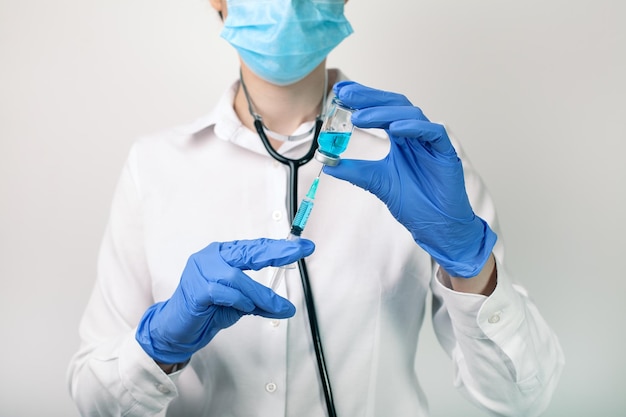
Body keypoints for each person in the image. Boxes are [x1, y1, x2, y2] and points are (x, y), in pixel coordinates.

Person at [67, 0, 564, 416]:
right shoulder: (154, 166)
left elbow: (523, 398)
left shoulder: (420, 158)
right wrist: (158, 349)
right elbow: (93, 399)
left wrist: (470, 263)